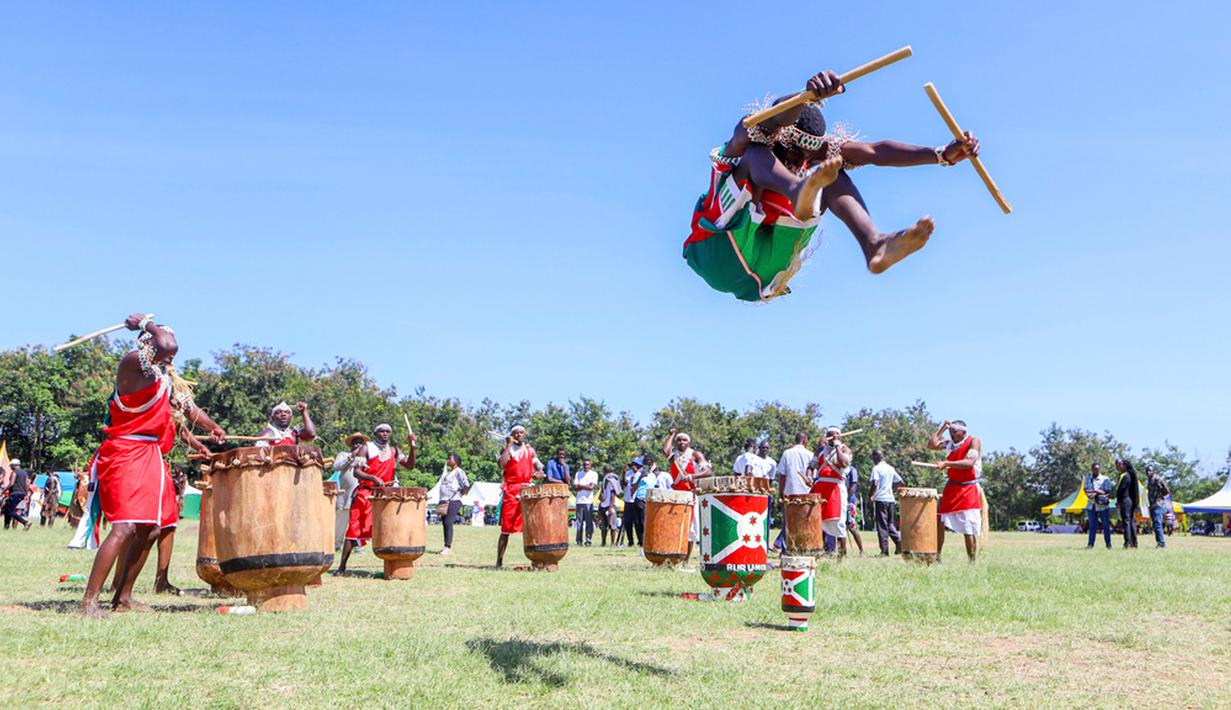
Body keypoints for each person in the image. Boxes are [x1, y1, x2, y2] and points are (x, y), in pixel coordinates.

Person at [684, 70, 981, 302]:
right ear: (778, 136)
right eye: (790, 154)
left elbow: (875, 152)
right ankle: (797, 191)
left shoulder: (814, 157)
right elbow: (765, 125)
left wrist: (941, 154)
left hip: (762, 274)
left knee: (833, 172)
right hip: (717, 249)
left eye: (804, 157)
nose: (798, 161)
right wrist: (805, 97)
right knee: (755, 157)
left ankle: (874, 244)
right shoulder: (747, 140)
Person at [81, 314, 226, 617]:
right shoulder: (134, 364)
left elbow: (189, 408)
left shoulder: (161, 379)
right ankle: (89, 601)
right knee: (124, 527)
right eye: (166, 350)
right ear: (149, 343)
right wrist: (146, 321)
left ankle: (123, 597)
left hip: (149, 455)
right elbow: (165, 342)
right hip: (125, 451)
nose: (171, 353)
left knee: (150, 529)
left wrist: (212, 427)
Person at [335, 424, 417, 575]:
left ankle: (393, 568)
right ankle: (342, 567)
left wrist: (413, 447)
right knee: (355, 529)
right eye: (382, 431)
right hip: (365, 494)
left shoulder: (394, 450)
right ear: (375, 433)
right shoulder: (366, 448)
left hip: (386, 495)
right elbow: (357, 472)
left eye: (388, 431)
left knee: (390, 530)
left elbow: (410, 466)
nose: (385, 433)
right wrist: (372, 477)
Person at [927, 420, 984, 562]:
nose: (951, 435)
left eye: (954, 432)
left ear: (963, 432)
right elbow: (931, 445)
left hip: (967, 488)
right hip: (952, 487)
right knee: (939, 520)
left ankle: (972, 561)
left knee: (968, 526)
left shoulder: (973, 441)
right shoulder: (951, 444)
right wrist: (941, 429)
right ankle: (937, 556)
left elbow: (969, 463)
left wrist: (946, 463)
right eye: (950, 432)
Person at [661, 429, 712, 569]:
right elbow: (665, 451)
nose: (681, 442)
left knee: (692, 530)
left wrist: (692, 477)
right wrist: (671, 434)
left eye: (684, 440)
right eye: (679, 439)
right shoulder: (673, 456)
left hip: (691, 495)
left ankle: (686, 562)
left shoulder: (695, 454)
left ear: (688, 442)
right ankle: (670, 559)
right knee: (673, 528)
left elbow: (708, 471)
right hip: (676, 495)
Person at [495, 425, 544, 568]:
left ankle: (535, 561)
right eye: (515, 433)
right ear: (511, 435)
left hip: (527, 490)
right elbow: (502, 465)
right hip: (511, 491)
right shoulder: (507, 449)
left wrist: (539, 472)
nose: (518, 435)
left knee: (531, 527)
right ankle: (499, 561)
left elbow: (538, 466)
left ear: (524, 434)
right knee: (506, 529)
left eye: (521, 432)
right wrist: (508, 445)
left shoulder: (530, 450)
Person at [811, 427, 853, 559]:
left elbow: (844, 463)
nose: (831, 438)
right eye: (829, 436)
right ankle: (819, 551)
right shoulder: (820, 450)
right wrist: (808, 477)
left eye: (834, 436)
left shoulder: (845, 450)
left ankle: (841, 555)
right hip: (820, 487)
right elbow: (811, 466)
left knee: (839, 521)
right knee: (818, 520)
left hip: (836, 488)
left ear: (839, 436)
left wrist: (837, 446)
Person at [773, 433, 814, 553]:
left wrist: (780, 494)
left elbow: (782, 475)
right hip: (805, 494)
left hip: (790, 492)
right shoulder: (810, 455)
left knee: (788, 524)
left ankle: (786, 551)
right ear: (805, 441)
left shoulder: (787, 453)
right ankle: (801, 550)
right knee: (803, 523)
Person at [868, 450, 903, 556]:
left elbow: (875, 482)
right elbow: (901, 482)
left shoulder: (876, 468)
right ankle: (898, 541)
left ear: (876, 457)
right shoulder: (890, 468)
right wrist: (893, 492)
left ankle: (884, 551)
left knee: (882, 525)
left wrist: (870, 496)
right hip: (890, 499)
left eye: (873, 457)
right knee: (890, 524)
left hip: (880, 499)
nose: (872, 459)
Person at [436, 453, 471, 556]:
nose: (448, 459)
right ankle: (446, 547)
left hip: (454, 500)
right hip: (444, 500)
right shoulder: (448, 473)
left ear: (456, 461)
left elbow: (466, 485)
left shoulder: (459, 472)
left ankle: (448, 547)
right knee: (444, 523)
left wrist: (461, 493)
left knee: (448, 522)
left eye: (450, 458)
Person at [1082, 462, 1114, 549]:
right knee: (1092, 526)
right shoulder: (1088, 479)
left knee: (1105, 525)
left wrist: (1095, 493)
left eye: (1097, 469)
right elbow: (1085, 489)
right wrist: (1089, 494)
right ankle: (1090, 544)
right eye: (1094, 469)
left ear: (1100, 469)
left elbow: (1107, 491)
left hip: (1102, 505)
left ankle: (1108, 544)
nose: (1096, 470)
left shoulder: (1105, 479)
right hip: (1091, 505)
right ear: (1091, 469)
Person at [1114, 459, 1140, 549]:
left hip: (1125, 501)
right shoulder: (1130, 475)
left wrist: (1118, 501)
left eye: (1119, 464)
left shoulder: (1125, 476)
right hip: (1130, 501)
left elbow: (1121, 490)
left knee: (1126, 522)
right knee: (1131, 521)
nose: (1117, 466)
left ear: (1124, 465)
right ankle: (1134, 542)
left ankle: (1127, 542)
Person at [621, 458, 646, 547]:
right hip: (628, 500)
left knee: (638, 522)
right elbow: (624, 483)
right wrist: (623, 473)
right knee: (627, 522)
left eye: (634, 465)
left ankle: (640, 541)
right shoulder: (628, 473)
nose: (632, 466)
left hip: (637, 500)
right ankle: (630, 541)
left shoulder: (642, 474)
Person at [573, 459, 598, 546]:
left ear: (591, 466)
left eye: (587, 465)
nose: (586, 466)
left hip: (588, 501)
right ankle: (578, 541)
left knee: (589, 522)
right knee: (579, 523)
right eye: (584, 465)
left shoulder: (594, 474)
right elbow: (575, 488)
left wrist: (580, 485)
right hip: (579, 501)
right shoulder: (578, 474)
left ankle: (588, 540)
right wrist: (585, 486)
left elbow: (591, 487)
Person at [1145, 465, 1171, 548]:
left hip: (1158, 504)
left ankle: (1162, 543)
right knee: (1155, 524)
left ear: (1154, 471)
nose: (1148, 473)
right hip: (1152, 504)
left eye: (1150, 471)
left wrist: (1159, 498)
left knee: (1157, 523)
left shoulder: (1158, 479)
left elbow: (1166, 491)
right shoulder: (1149, 481)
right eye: (1147, 471)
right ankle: (1159, 542)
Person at [3, 459, 32, 530]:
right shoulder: (24, 473)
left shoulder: (14, 473)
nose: (10, 467)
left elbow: (11, 483)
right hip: (22, 494)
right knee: (7, 510)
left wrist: (4, 490)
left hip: (14, 494)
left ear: (14, 465)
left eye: (11, 466)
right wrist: (26, 494)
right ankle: (6, 527)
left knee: (10, 511)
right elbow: (27, 484)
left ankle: (25, 523)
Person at [844, 463, 865, 556]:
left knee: (851, 527)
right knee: (840, 528)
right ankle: (843, 551)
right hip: (840, 500)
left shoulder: (852, 470)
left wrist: (846, 498)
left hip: (849, 502)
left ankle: (861, 550)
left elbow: (853, 486)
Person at [598, 465, 622, 547]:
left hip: (610, 505)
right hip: (603, 505)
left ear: (604, 471)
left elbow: (613, 494)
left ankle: (612, 543)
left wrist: (611, 507)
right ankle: (603, 542)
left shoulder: (610, 480)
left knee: (612, 525)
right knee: (603, 525)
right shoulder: (606, 480)